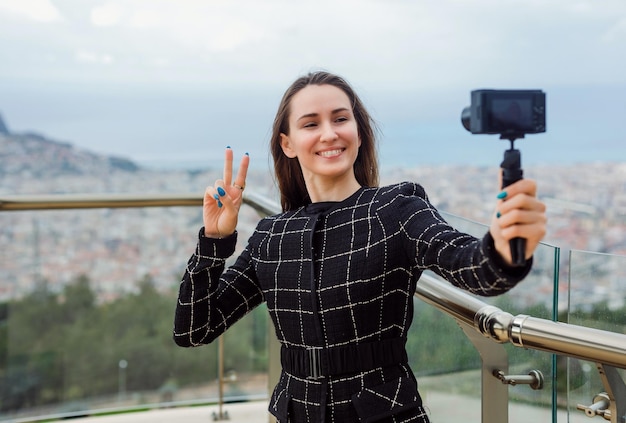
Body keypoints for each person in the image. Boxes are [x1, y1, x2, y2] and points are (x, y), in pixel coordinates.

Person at [173, 71, 547, 423]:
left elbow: (475, 269)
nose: (329, 133)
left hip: (384, 414)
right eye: (310, 124)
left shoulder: (397, 208)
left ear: (359, 131)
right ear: (287, 144)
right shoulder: (272, 235)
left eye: (340, 119)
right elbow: (194, 329)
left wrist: (504, 244)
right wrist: (214, 242)